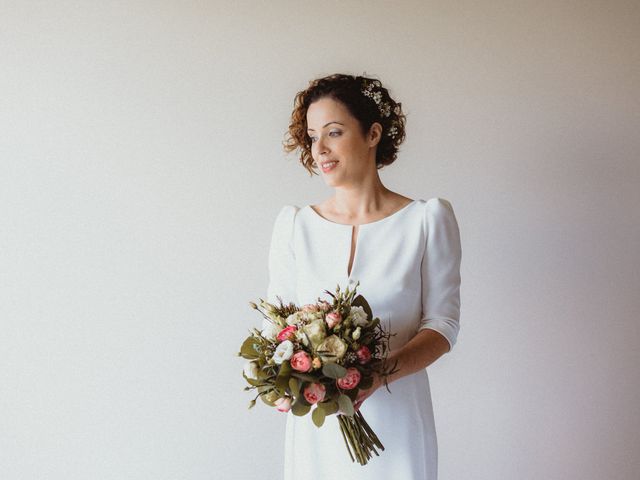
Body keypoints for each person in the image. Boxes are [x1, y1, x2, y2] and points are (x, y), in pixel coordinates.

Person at [265, 73, 462, 480]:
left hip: (398, 423)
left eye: (334, 133)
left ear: (373, 133)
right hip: (317, 431)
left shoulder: (426, 221)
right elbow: (276, 327)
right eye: (312, 135)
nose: (319, 149)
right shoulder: (295, 225)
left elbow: (442, 326)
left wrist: (379, 374)